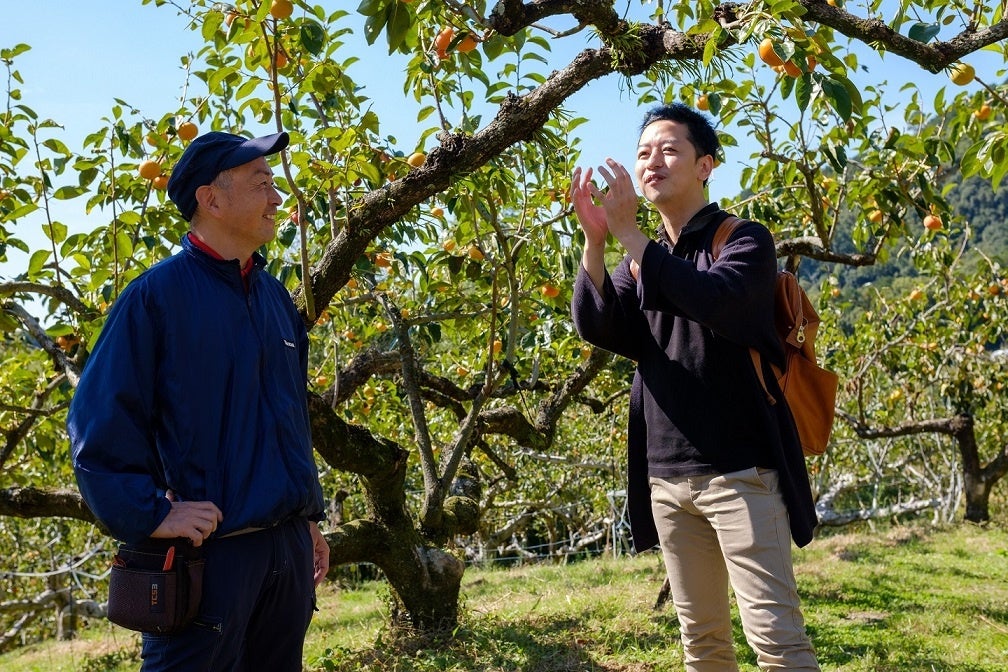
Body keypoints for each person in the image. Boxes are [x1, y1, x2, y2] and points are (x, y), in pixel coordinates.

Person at [569, 103, 820, 671]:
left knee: (776, 640)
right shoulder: (641, 259)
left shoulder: (743, 240)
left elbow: (716, 300)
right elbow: (602, 326)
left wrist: (630, 235)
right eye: (643, 153)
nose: (651, 161)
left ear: (705, 165)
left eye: (668, 149)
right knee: (702, 643)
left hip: (741, 472)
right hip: (668, 479)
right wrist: (596, 242)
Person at [67, 130, 329, 671]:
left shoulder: (275, 298)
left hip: (285, 554)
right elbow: (98, 425)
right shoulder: (154, 299)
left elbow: (288, 420)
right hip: (209, 560)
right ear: (211, 199)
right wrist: (153, 513)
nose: (277, 197)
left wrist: (306, 518)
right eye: (261, 183)